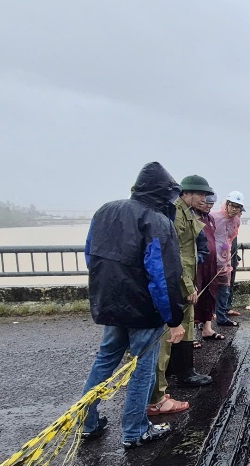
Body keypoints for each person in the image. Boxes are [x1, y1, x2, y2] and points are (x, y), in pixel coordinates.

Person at [80, 161, 185, 448]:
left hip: (110, 302)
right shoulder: (156, 221)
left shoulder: (105, 211)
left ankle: (87, 422)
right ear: (164, 193)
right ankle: (135, 429)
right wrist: (174, 318)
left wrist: (107, 289)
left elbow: (91, 255)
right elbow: (163, 276)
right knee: (142, 368)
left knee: (105, 361)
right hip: (143, 308)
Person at [148, 175, 215, 416]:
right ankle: (158, 391)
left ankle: (184, 371)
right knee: (169, 334)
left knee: (185, 325)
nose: (205, 199)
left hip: (185, 279)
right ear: (186, 193)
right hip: (178, 282)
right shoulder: (175, 214)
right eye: (201, 195)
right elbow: (174, 254)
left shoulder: (187, 212)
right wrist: (188, 286)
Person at [194, 193, 224, 347]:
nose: (208, 206)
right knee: (195, 295)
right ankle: (190, 334)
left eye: (211, 204)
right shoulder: (192, 217)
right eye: (206, 203)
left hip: (211, 262)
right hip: (197, 263)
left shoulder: (210, 218)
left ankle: (207, 328)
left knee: (210, 293)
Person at [212, 191, 244, 327]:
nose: (234, 209)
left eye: (238, 207)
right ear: (227, 204)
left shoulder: (236, 220)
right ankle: (204, 320)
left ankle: (222, 316)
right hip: (211, 258)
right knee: (209, 289)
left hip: (226, 259)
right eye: (232, 206)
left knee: (225, 288)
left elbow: (230, 239)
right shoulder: (212, 216)